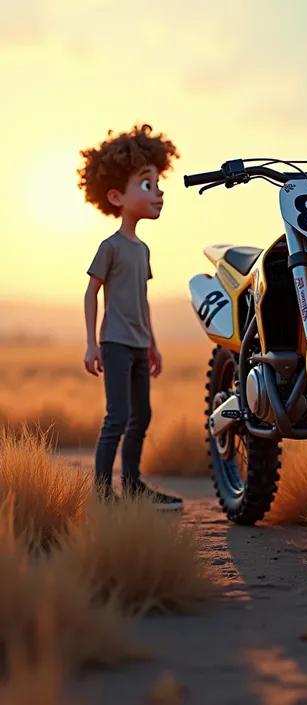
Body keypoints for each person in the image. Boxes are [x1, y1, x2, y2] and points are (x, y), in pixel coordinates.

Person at [78, 123, 183, 509]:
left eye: (157, 184)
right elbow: (91, 292)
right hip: (116, 344)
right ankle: (103, 496)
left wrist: (154, 344)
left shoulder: (142, 250)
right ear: (115, 196)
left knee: (143, 416)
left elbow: (144, 299)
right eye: (146, 185)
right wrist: (91, 343)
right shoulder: (111, 246)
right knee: (117, 418)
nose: (157, 193)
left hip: (140, 346)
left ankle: (134, 486)